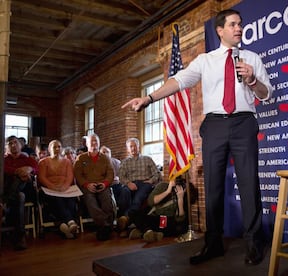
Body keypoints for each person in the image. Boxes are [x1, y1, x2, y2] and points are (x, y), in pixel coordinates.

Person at [122, 9, 273, 266]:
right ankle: (212, 244)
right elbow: (178, 81)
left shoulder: (252, 58)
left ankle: (253, 243)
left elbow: (265, 94)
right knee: (213, 187)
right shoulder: (206, 60)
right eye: (233, 24)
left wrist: (252, 79)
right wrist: (148, 98)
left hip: (244, 123)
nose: (239, 28)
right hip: (214, 125)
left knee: (249, 185)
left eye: (240, 24)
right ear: (220, 30)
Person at [116, 138, 161, 237]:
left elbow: (157, 174)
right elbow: (121, 176)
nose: (133, 148)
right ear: (128, 149)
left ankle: (126, 218)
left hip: (145, 183)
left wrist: (151, 181)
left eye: (135, 146)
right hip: (131, 183)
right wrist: (128, 183)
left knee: (138, 198)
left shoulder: (147, 159)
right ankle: (124, 219)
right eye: (131, 146)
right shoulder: (125, 162)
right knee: (124, 192)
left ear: (138, 146)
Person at [73, 133, 114, 241]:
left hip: (102, 185)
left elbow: (110, 173)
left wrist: (105, 184)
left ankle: (104, 228)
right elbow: (77, 174)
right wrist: (86, 184)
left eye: (96, 141)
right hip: (87, 187)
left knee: (107, 200)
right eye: (92, 141)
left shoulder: (105, 158)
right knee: (90, 201)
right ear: (87, 144)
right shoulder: (81, 158)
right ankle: (106, 225)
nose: (94, 143)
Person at [3, 135, 39, 250]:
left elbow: (36, 168)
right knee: (20, 196)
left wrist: (29, 169)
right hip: (8, 190)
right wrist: (18, 171)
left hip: (25, 190)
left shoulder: (28, 159)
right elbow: (4, 169)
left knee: (22, 187)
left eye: (15, 142)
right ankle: (20, 237)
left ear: (21, 145)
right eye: (10, 143)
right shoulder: (4, 160)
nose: (13, 145)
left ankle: (4, 204)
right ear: (6, 147)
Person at [37, 140, 79, 239]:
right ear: (49, 149)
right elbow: (42, 178)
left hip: (65, 189)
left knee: (71, 200)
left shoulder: (67, 162)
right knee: (57, 199)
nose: (57, 149)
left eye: (59, 147)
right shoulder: (43, 162)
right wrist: (53, 187)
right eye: (54, 147)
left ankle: (63, 226)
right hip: (49, 190)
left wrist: (64, 187)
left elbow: (70, 177)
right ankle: (71, 222)